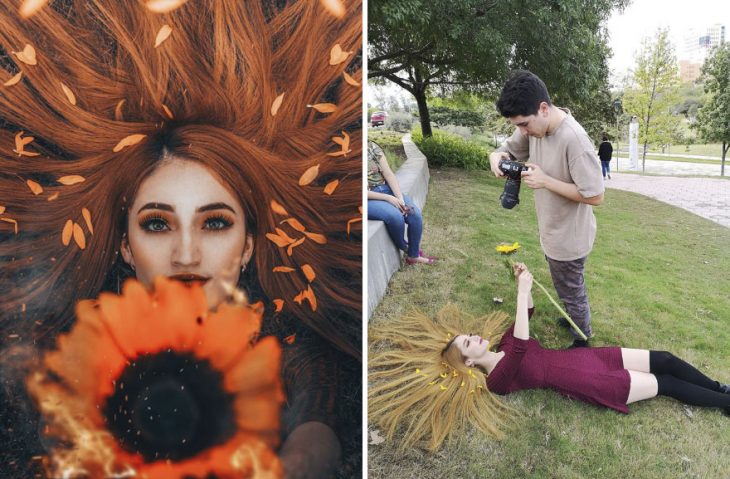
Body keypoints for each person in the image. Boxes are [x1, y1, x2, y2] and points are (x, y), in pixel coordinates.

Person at [0, 1, 362, 478]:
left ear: (250, 244)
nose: (186, 253)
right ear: (125, 245)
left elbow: (316, 428)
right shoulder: (60, 347)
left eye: (215, 223)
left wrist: (293, 463)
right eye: (157, 224)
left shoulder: (288, 346)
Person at [369, 263, 730, 451]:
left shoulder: (505, 345)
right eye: (468, 343)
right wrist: (521, 295)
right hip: (590, 381)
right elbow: (524, 342)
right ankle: (725, 404)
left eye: (468, 336)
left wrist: (521, 282)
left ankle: (719, 388)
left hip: (591, 360)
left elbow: (528, 313)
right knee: (664, 384)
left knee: (664, 358)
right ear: (468, 363)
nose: (475, 336)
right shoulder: (498, 380)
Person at [488, 70, 604, 347]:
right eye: (518, 126)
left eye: (525, 125)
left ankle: (582, 337)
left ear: (543, 109)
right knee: (566, 284)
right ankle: (574, 315)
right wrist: (496, 156)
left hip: (570, 236)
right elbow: (509, 148)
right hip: (552, 229)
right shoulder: (533, 128)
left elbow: (596, 195)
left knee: (571, 288)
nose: (523, 132)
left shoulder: (575, 140)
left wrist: (546, 181)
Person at [368, 141, 436, 265]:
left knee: (413, 213)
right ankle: (405, 248)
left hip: (385, 188)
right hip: (367, 198)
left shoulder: (371, 146)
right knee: (395, 216)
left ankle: (413, 256)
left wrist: (400, 200)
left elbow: (388, 174)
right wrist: (388, 199)